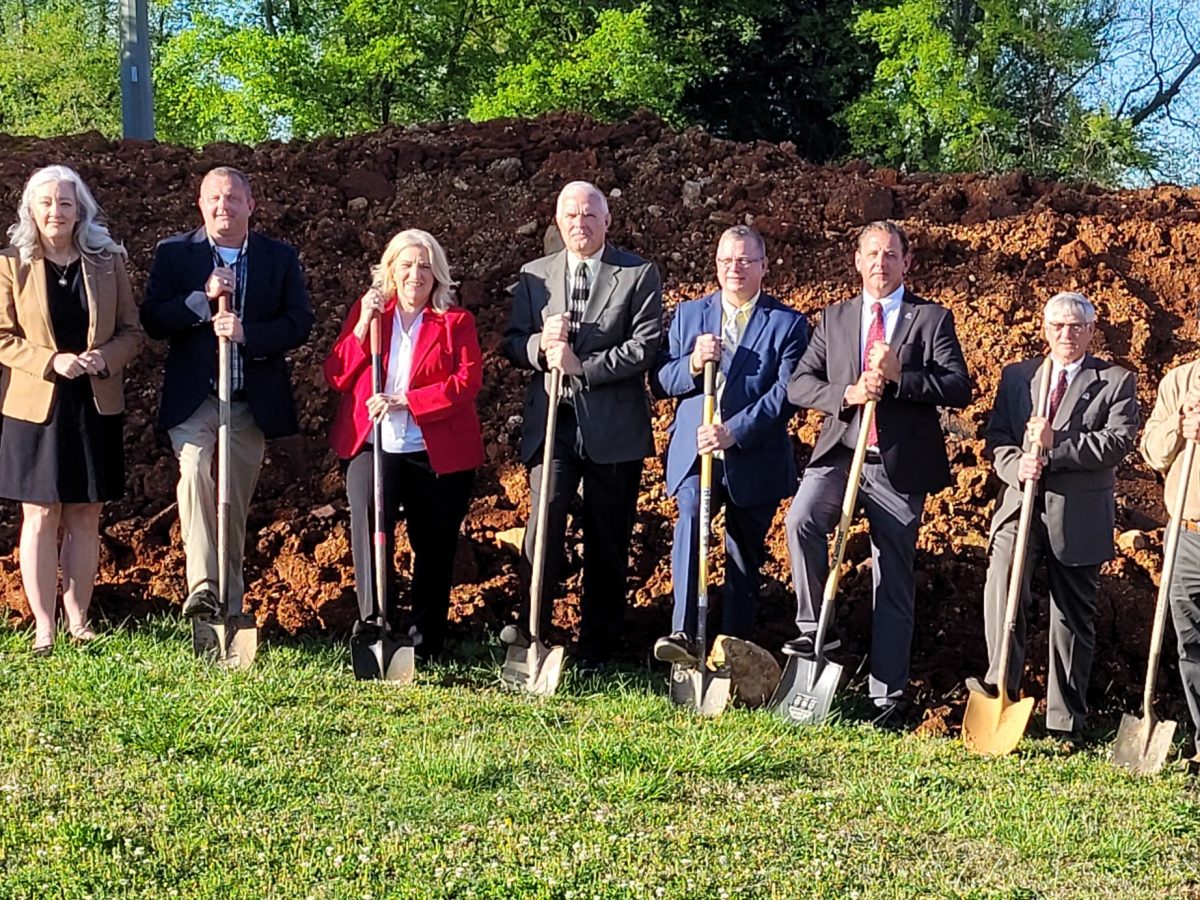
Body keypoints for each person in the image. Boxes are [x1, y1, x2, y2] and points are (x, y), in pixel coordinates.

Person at [783, 220, 972, 727]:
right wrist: (844, 395)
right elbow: (800, 383)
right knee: (800, 521)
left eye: (891, 255)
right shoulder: (836, 318)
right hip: (842, 454)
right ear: (857, 259)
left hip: (897, 468)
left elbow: (957, 387)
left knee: (891, 577)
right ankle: (815, 628)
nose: (880, 263)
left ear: (906, 262)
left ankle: (885, 697)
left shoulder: (930, 319)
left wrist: (899, 378)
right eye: (872, 253)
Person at [501, 180, 663, 671]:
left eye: (590, 214)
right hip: (553, 424)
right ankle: (531, 632)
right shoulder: (534, 278)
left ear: (607, 220)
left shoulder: (636, 275)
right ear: (557, 221)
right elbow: (511, 343)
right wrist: (538, 347)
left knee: (607, 535)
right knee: (544, 520)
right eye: (570, 214)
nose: (580, 222)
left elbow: (646, 345)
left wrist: (581, 366)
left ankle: (599, 646)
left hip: (613, 428)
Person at [141, 167, 313, 620]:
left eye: (233, 198)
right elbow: (154, 319)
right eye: (214, 198)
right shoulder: (176, 254)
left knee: (232, 501)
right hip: (196, 398)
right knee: (195, 469)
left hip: (247, 401)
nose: (224, 206)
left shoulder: (278, 258)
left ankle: (228, 607)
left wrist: (246, 333)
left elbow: (300, 323)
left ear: (250, 206)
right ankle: (202, 587)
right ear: (200, 204)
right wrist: (203, 298)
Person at [975, 292, 1137, 746]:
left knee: (1071, 617)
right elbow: (998, 438)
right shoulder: (1018, 377)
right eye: (1058, 326)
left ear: (1090, 331)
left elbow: (1117, 442)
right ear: (1044, 329)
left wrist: (1055, 445)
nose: (1066, 334)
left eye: (1076, 327)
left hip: (1078, 514)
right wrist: (1015, 466)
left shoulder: (1115, 381)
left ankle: (1065, 722)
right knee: (1002, 590)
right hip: (1020, 505)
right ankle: (1001, 691)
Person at [0, 164, 143, 655]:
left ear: (79, 209)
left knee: (86, 512)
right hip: (35, 407)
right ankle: (44, 625)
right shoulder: (10, 264)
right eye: (46, 203)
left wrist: (106, 358)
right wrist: (51, 360)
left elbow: (132, 331)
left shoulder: (108, 261)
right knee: (40, 513)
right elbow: (2, 338)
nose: (56, 212)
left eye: (65, 202)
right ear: (31, 210)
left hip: (94, 402)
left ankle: (79, 618)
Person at [649, 225, 808, 663]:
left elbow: (787, 394)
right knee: (692, 522)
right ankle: (682, 635)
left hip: (753, 455)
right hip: (696, 452)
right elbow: (661, 381)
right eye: (725, 261)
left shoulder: (788, 324)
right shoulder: (688, 316)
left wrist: (735, 430)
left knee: (744, 551)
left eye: (744, 261)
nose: (733, 269)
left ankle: (733, 647)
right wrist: (693, 362)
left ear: (763, 267)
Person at [324, 229, 482, 658]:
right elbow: (336, 375)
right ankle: (376, 624)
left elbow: (466, 383)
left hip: (434, 452)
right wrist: (360, 327)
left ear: (438, 275)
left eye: (426, 266)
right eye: (407, 265)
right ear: (390, 270)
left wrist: (406, 402)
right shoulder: (372, 315)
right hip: (372, 444)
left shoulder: (455, 323)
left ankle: (425, 639)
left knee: (434, 543)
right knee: (370, 526)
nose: (416, 274)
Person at [1138, 344, 1200, 758]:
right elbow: (1152, 453)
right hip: (1186, 533)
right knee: (1192, 643)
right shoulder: (1181, 381)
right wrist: (1180, 426)